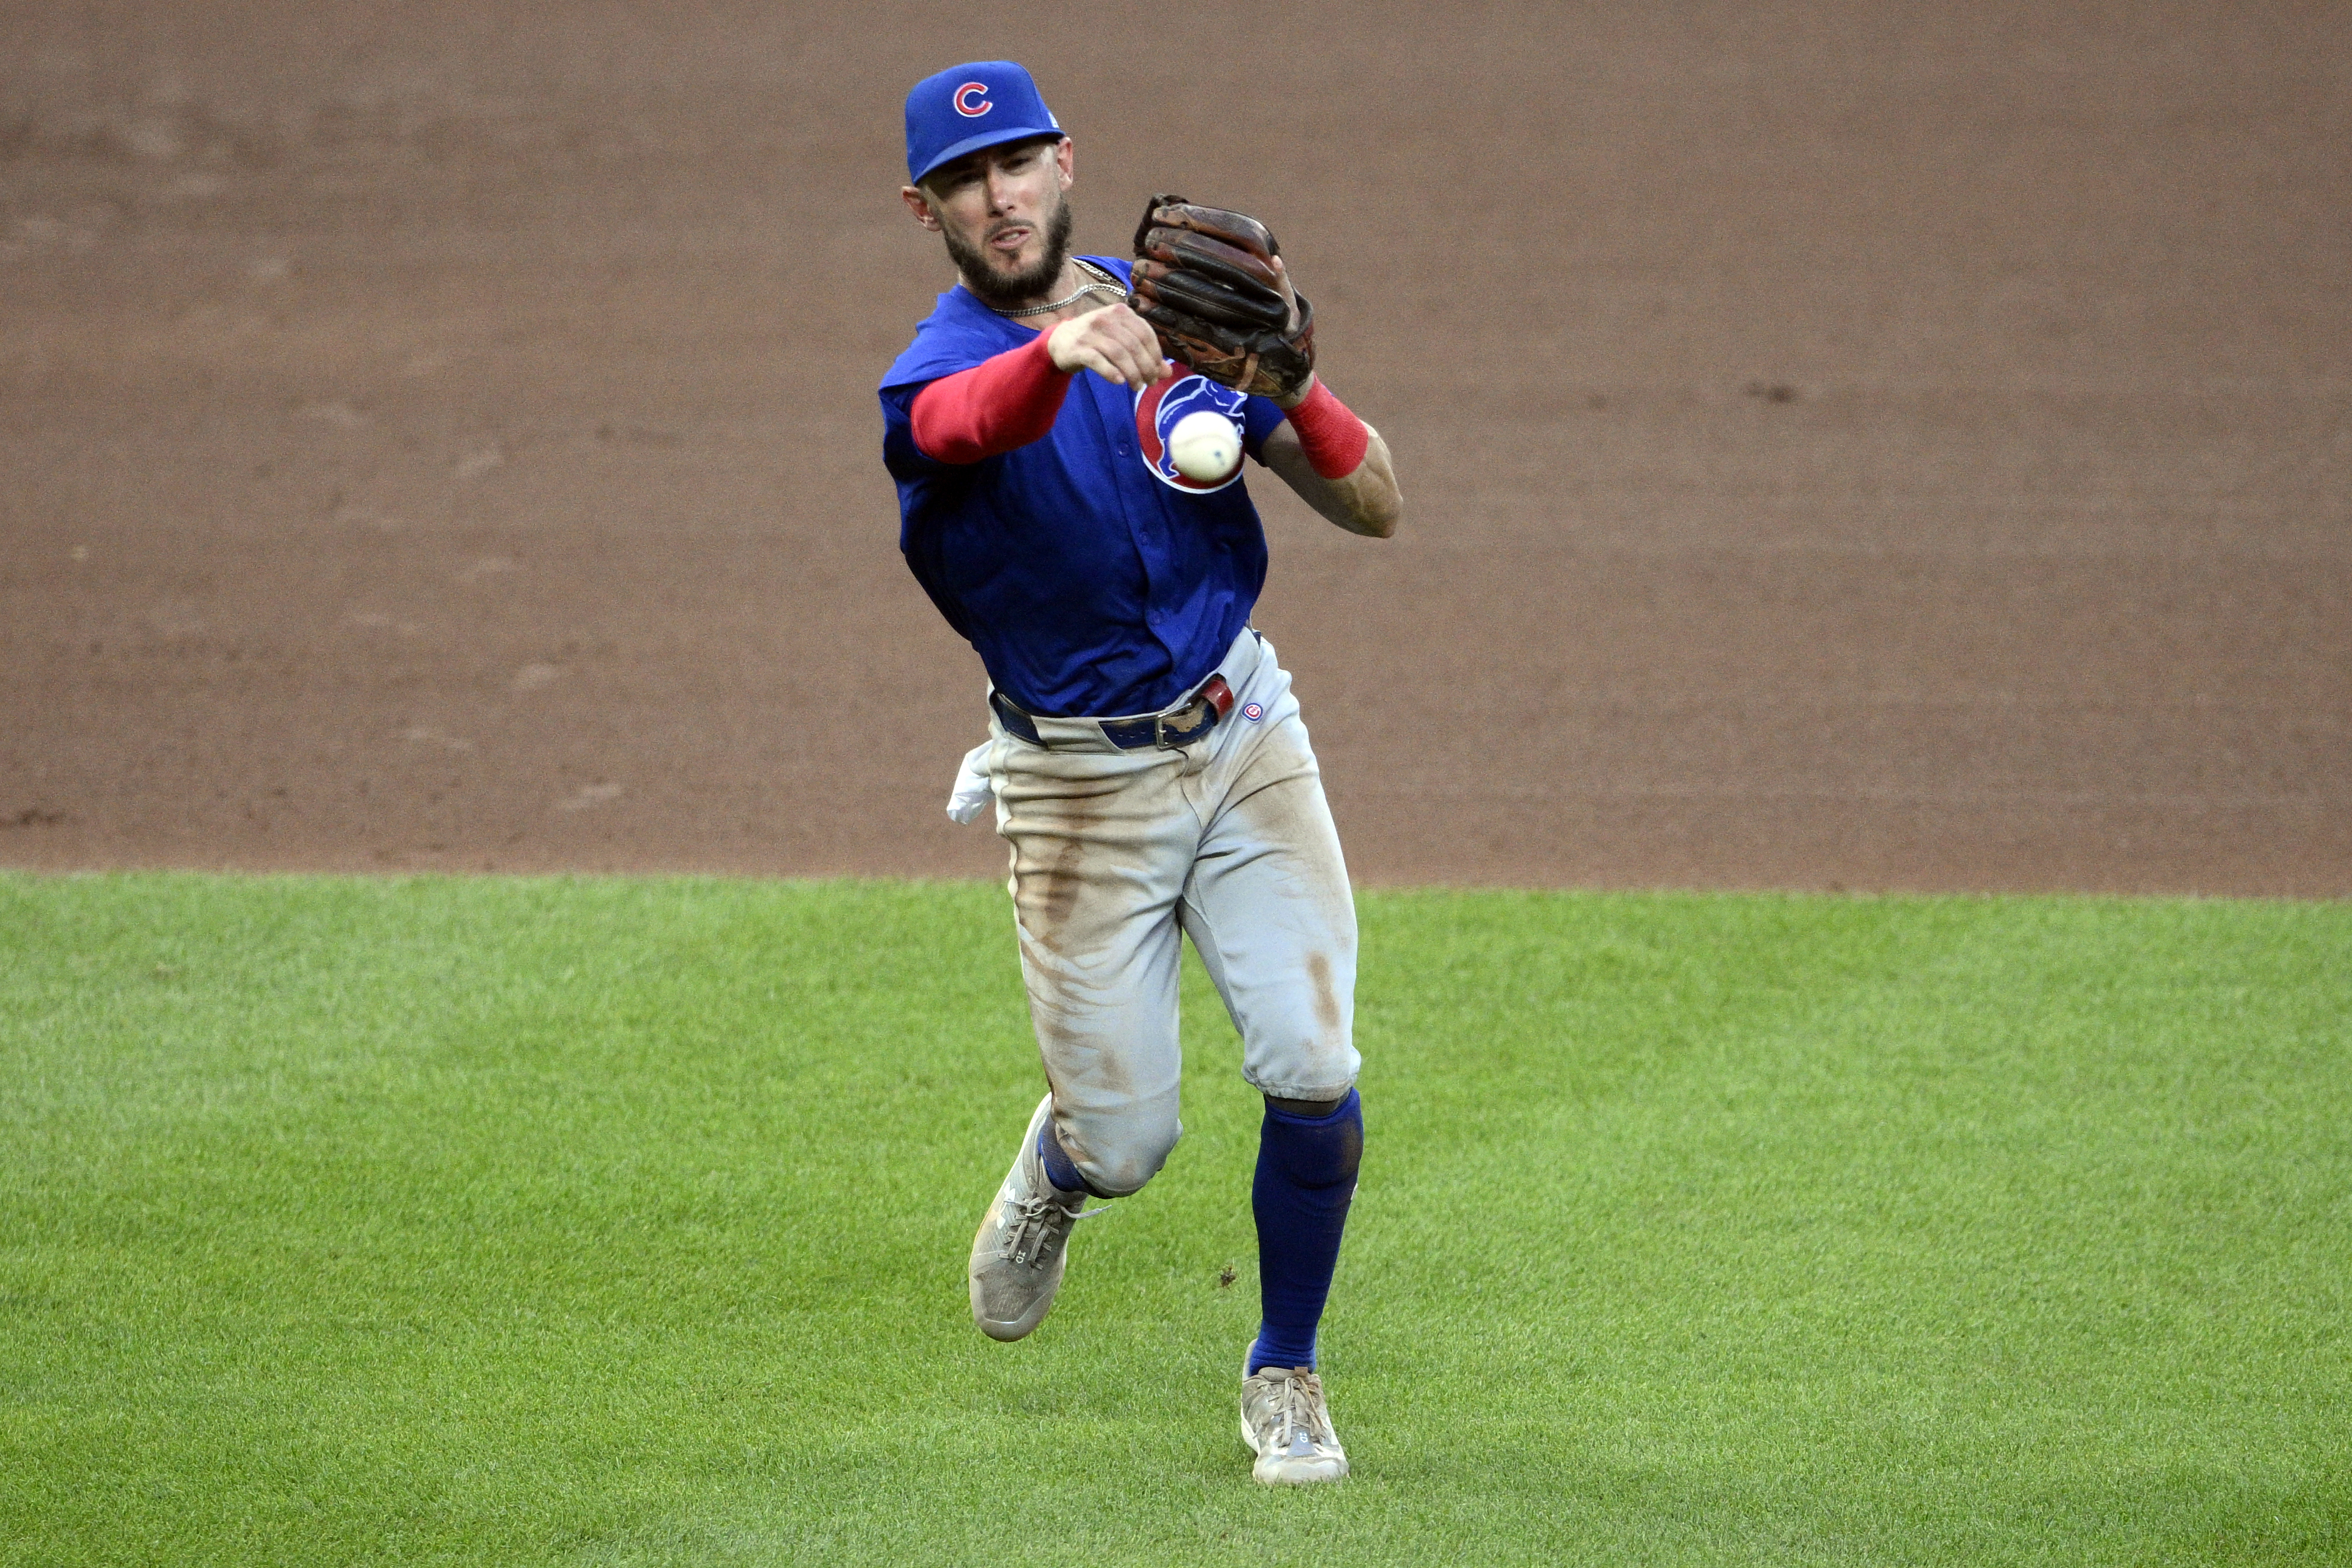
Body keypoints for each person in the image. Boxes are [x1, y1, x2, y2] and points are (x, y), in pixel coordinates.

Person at [878, 61, 1402, 1486]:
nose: (999, 197)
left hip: (1241, 734)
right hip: (1072, 791)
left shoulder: (1187, 313)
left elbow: (1375, 504)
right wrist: (1053, 355)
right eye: (964, 180)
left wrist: (1294, 389)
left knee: (1314, 1064)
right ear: (922, 207)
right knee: (1129, 1140)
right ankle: (1063, 1168)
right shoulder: (934, 371)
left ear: (1063, 164)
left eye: (1020, 164)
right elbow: (949, 433)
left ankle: (1283, 1368)